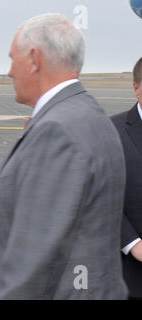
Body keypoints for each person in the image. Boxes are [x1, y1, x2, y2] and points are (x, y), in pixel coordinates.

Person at [0, 13, 128, 299]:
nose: (8, 72)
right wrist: (7, 216)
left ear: (34, 59)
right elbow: (70, 217)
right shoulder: (90, 114)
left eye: (11, 59)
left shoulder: (57, 131)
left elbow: (31, 269)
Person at [111, 57, 142, 300]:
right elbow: (101, 195)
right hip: (130, 272)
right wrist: (133, 244)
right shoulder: (111, 130)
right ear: (135, 88)